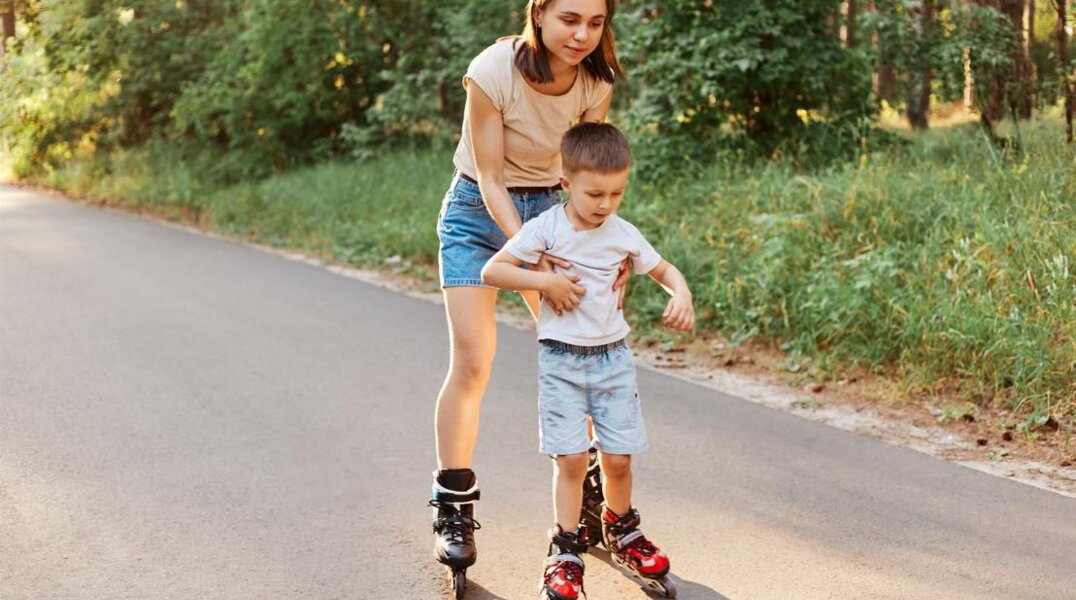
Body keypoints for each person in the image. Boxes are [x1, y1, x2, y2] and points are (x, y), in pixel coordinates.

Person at [429, 0, 628, 588]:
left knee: (582, 350)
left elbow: (583, 174)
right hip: (477, 216)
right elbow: (490, 177)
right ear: (538, 13)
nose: (583, 35)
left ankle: (588, 490)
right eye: (570, 19)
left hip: (549, 210)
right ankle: (453, 503)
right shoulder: (492, 71)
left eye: (595, 23)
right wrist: (529, 251)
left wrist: (599, 248)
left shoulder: (595, 82)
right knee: (473, 359)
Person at [482, 122, 693, 600]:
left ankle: (623, 529)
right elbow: (493, 269)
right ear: (566, 182)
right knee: (573, 458)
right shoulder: (546, 229)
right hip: (561, 361)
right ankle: (564, 549)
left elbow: (663, 269)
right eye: (595, 193)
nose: (605, 204)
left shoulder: (623, 233)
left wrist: (680, 292)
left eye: (617, 193)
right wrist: (545, 283)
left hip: (613, 360)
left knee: (618, 457)